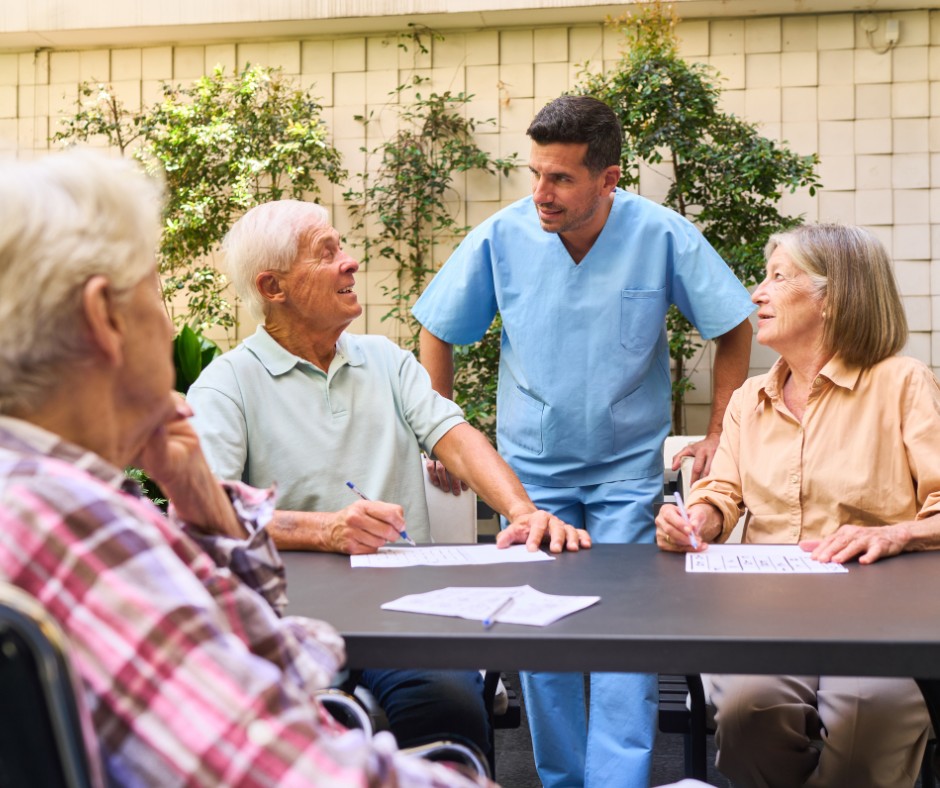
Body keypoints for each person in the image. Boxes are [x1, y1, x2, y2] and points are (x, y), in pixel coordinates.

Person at [0, 148, 487, 786]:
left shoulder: (33, 494)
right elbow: (286, 771)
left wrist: (201, 497)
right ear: (105, 317)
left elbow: (242, 661)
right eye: (155, 290)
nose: (169, 322)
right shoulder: (79, 529)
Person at [411, 94, 755, 787]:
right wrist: (439, 427)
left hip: (628, 470)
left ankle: (617, 782)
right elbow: (438, 326)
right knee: (544, 638)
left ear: (608, 179)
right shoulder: (502, 237)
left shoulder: (660, 235)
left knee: (625, 632)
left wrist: (722, 431)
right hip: (535, 476)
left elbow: (734, 325)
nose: (542, 192)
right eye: (535, 172)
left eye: (561, 178)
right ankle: (564, 780)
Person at [186, 198, 591, 762]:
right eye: (327, 253)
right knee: (296, 733)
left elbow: (458, 439)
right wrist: (326, 530)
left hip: (403, 611)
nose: (350, 262)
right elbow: (209, 513)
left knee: (449, 705)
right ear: (273, 287)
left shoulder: (386, 360)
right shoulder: (225, 385)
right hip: (286, 616)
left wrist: (522, 512)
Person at [656, 223, 938, 787]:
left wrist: (895, 534)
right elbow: (722, 494)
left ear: (832, 299)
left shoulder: (903, 384)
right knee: (747, 713)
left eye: (777, 278)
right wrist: (698, 519)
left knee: (868, 725)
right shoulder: (746, 399)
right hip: (767, 617)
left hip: (880, 622)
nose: (756, 293)